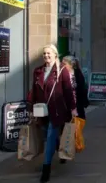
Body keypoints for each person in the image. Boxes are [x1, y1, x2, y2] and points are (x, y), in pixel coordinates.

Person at [28, 44, 77, 183]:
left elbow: (68, 90)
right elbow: (34, 90)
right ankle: (59, 148)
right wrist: (31, 109)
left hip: (57, 110)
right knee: (46, 133)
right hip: (41, 110)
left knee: (50, 135)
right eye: (44, 54)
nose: (46, 56)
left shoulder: (62, 71)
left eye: (49, 53)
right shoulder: (38, 71)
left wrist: (73, 108)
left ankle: (46, 168)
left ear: (55, 55)